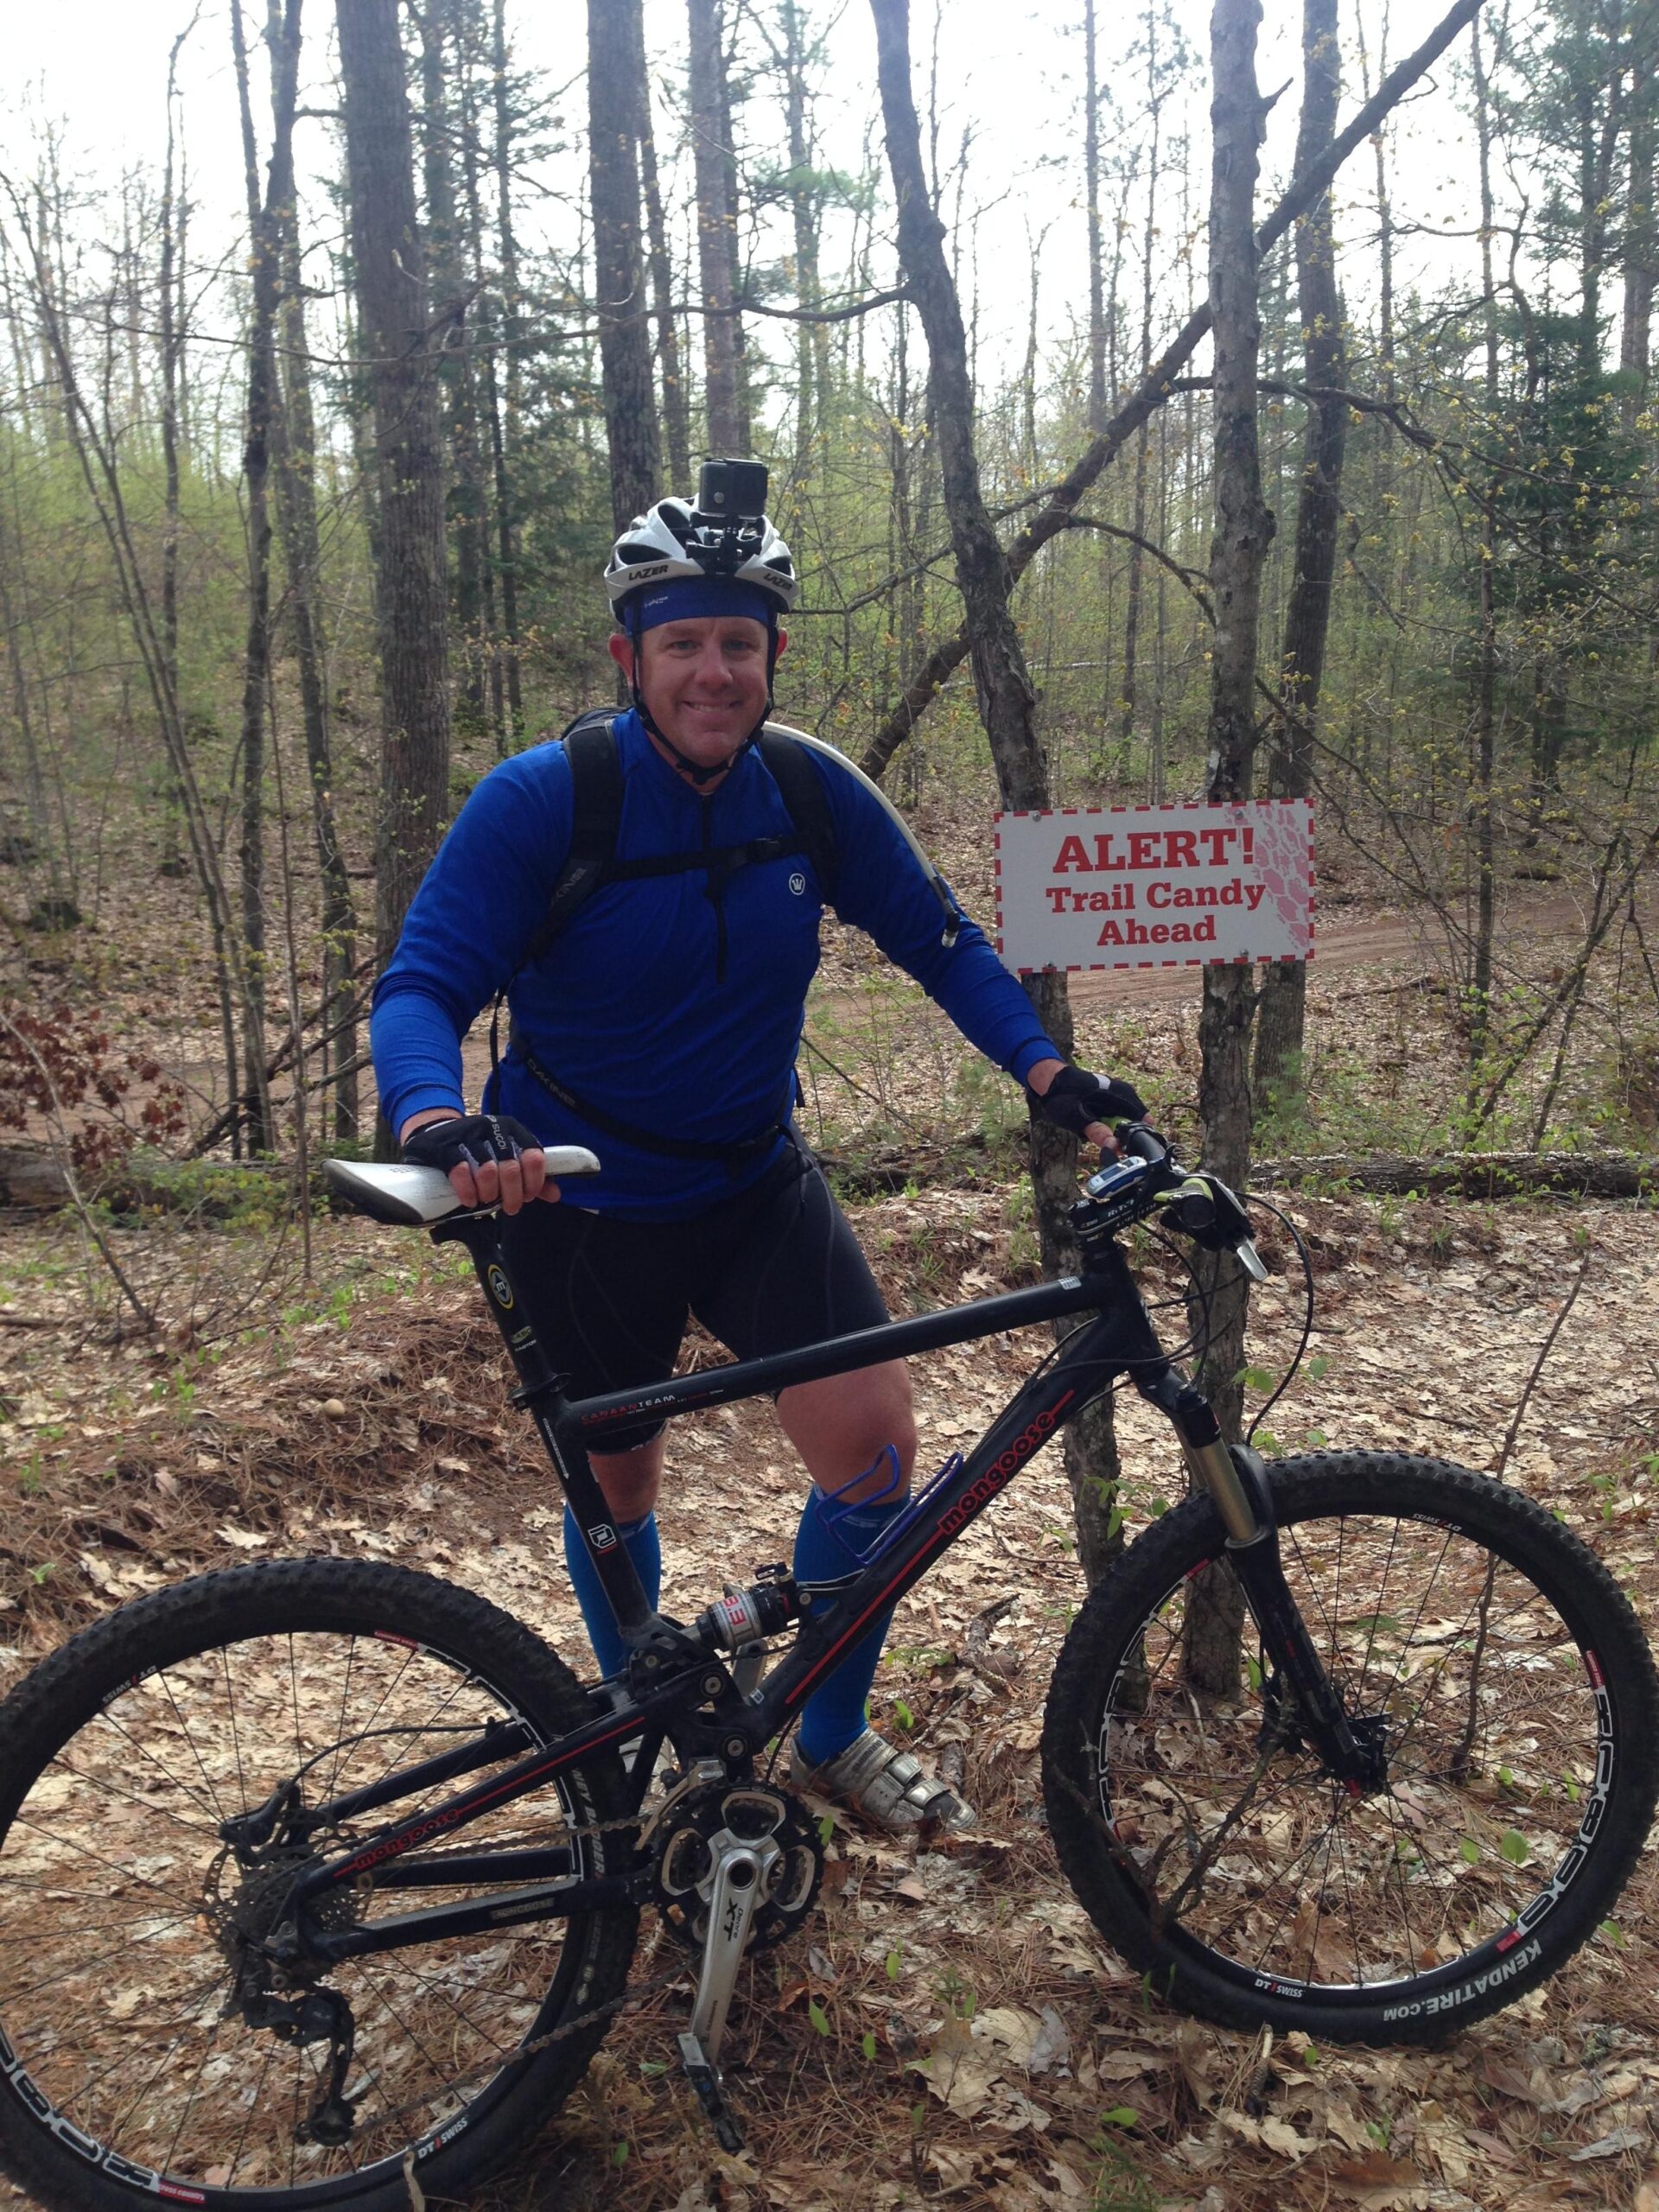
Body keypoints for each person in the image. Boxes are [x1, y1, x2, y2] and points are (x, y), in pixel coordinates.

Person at [370, 471, 1145, 1833]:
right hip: (581, 1199)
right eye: (683, 643)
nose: (713, 670)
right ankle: (649, 1753)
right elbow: (420, 987)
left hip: (751, 1181)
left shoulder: (809, 792)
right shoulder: (547, 801)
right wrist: (438, 1122)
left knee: (877, 1464)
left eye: (740, 642)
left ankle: (825, 1734)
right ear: (631, 658)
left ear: (773, 658)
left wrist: (1048, 1073)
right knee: (620, 1491)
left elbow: (942, 939)